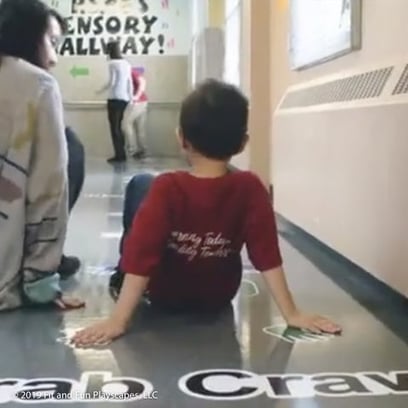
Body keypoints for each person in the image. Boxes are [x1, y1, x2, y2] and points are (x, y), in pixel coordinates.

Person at [72, 79, 341, 347]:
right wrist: (291, 314)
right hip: (218, 295)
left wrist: (117, 320)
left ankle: (119, 278)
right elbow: (267, 255)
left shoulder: (167, 188)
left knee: (141, 184)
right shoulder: (250, 188)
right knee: (147, 189)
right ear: (242, 143)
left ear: (181, 138)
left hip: (164, 293)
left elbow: (142, 254)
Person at [0, 0, 84, 311]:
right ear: (26, 36)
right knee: (70, 147)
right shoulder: (37, 85)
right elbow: (48, 190)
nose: (54, 57)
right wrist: (41, 282)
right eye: (51, 41)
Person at [96, 40, 133, 164]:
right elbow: (130, 82)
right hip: (125, 98)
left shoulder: (112, 63)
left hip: (114, 98)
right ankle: (122, 153)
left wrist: (100, 90)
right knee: (119, 126)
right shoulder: (126, 63)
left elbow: (112, 82)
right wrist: (131, 98)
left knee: (114, 128)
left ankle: (119, 155)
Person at [121, 67, 148, 159]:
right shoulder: (129, 72)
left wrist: (136, 96)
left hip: (138, 102)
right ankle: (142, 150)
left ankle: (133, 150)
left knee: (126, 124)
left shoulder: (130, 71)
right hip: (142, 101)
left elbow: (142, 82)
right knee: (140, 128)